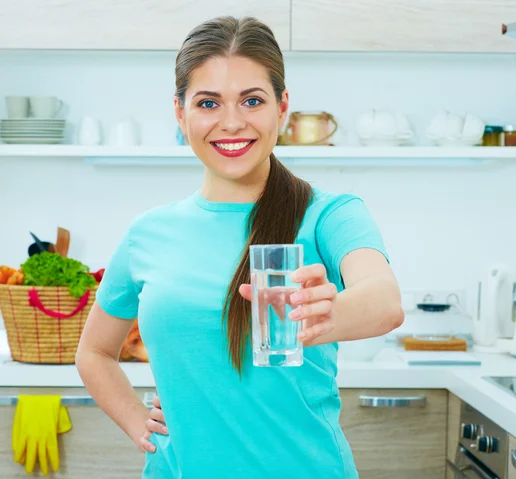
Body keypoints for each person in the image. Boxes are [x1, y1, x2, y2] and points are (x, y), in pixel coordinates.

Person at [75, 15, 404, 479]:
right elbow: (94, 353)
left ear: (282, 107)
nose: (232, 123)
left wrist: (328, 312)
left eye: (252, 100)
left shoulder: (330, 214)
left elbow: (384, 299)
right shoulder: (147, 234)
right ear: (180, 112)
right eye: (208, 103)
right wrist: (135, 419)